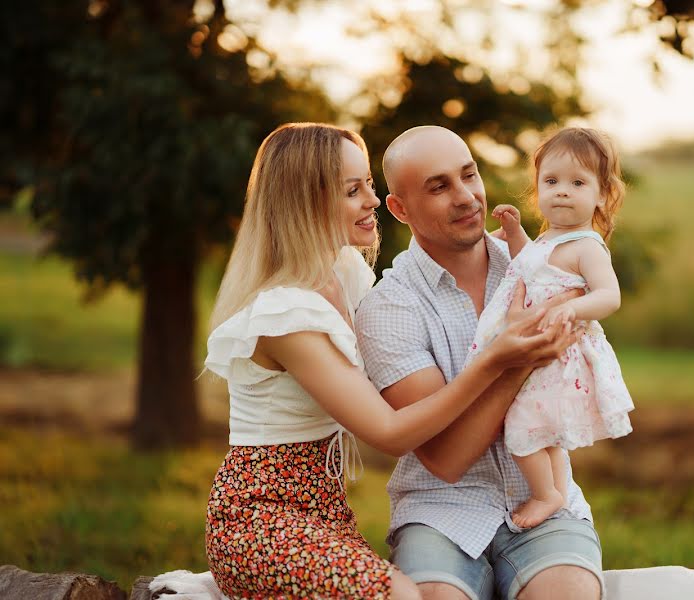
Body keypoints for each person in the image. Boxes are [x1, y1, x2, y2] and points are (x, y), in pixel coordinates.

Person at [202, 123, 574, 599]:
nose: (372, 202)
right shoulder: (286, 313)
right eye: (352, 190)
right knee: (403, 595)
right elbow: (391, 434)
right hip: (261, 516)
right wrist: (496, 359)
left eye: (370, 186)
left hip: (323, 509)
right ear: (305, 202)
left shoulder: (346, 275)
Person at [356, 126, 606, 600]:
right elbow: (445, 459)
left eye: (469, 175)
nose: (466, 196)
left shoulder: (540, 268)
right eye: (439, 186)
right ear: (400, 209)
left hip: (544, 500)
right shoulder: (387, 308)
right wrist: (510, 361)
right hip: (439, 512)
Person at [470, 127, 635, 530]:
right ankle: (557, 494)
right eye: (551, 181)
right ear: (538, 188)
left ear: (601, 195)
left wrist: (574, 308)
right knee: (545, 430)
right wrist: (513, 233)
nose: (562, 191)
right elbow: (530, 264)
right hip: (534, 351)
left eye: (577, 183)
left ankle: (546, 494)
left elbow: (608, 296)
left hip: (557, 357)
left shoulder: (587, 246)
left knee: (522, 428)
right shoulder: (547, 239)